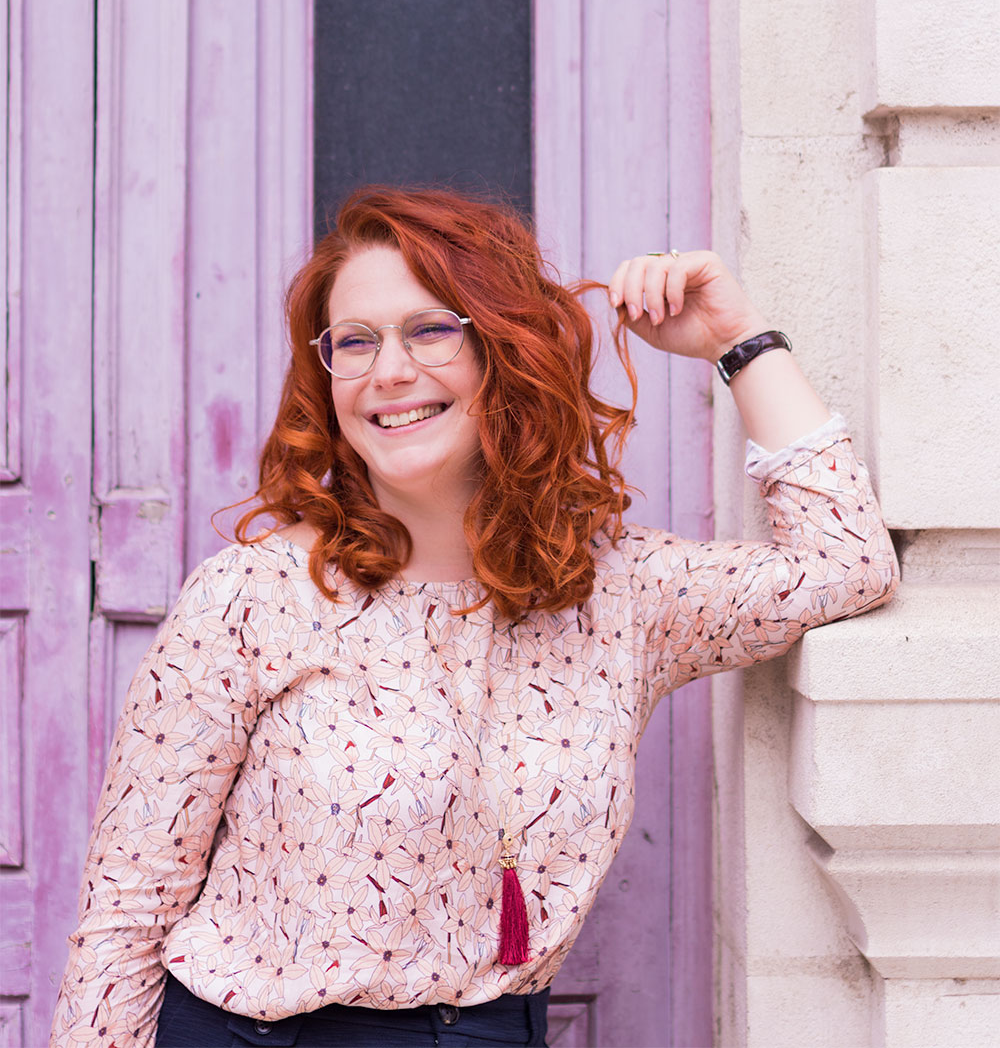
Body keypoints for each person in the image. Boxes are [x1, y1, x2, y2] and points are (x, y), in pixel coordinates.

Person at [51, 186, 898, 1048]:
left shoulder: (621, 593)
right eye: (355, 342)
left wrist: (736, 339)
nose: (389, 371)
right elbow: (127, 911)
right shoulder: (249, 597)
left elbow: (844, 563)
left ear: (505, 350)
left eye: (429, 330)